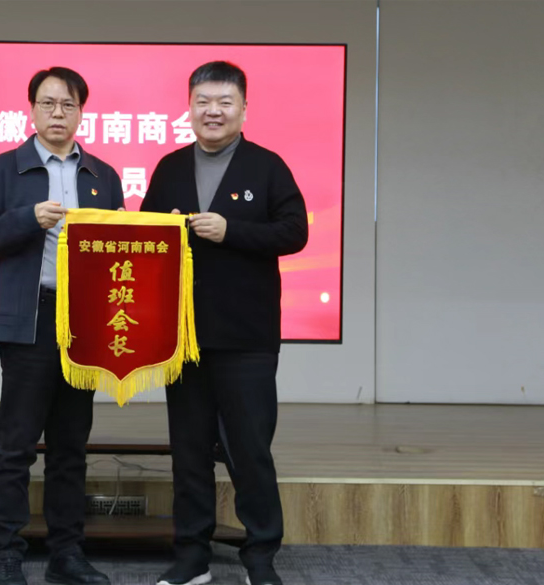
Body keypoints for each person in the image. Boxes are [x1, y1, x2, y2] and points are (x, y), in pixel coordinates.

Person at [140, 61, 309, 585]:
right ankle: (192, 557)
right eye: (203, 102)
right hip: (183, 338)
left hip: (246, 336)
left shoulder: (267, 166)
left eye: (224, 102)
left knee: (249, 451)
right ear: (189, 107)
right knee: (188, 453)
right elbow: (143, 235)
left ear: (243, 109)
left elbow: (295, 232)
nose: (212, 111)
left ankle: (260, 557)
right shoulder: (169, 167)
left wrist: (230, 230)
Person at [0, 67, 124, 585]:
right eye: (49, 103)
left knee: (71, 447)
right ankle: (6, 555)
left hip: (84, 325)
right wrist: (27, 219)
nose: (58, 113)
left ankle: (66, 555)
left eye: (68, 105)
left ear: (81, 112)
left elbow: (119, 249)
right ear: (31, 109)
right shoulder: (3, 170)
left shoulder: (102, 176)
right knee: (15, 446)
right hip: (30, 319)